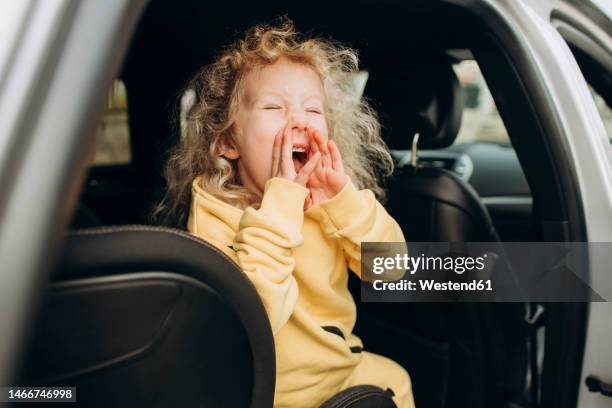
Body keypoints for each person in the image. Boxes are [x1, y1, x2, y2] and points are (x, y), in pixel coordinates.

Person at [151, 17, 415, 408]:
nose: (299, 121)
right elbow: (252, 318)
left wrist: (342, 202)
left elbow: (393, 271)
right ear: (227, 142)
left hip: (341, 372)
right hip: (269, 392)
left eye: (313, 110)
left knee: (398, 378)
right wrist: (280, 203)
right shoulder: (216, 211)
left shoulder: (333, 202)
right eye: (274, 107)